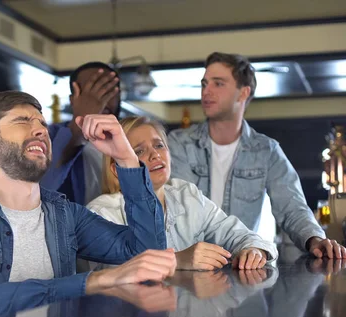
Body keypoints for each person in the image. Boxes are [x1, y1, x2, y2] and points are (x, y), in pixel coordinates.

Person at [0, 91, 176, 317]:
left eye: (42, 123)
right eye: (23, 120)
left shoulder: (66, 215)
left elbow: (147, 250)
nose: (41, 129)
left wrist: (126, 159)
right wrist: (97, 281)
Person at [166, 52, 346, 259]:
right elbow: (177, 208)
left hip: (241, 267)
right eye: (204, 83)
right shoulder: (178, 144)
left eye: (218, 84)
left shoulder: (266, 150)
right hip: (189, 266)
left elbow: (292, 208)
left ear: (243, 93)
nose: (206, 91)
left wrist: (316, 239)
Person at [87, 116, 278, 271]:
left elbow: (237, 233)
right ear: (116, 170)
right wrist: (176, 260)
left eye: (159, 145)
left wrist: (254, 250)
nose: (155, 155)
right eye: (139, 151)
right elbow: (109, 274)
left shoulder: (187, 195)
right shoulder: (101, 212)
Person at [40, 62, 121, 206]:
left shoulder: (133, 135)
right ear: (73, 100)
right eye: (91, 92)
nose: (100, 100)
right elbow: (44, 185)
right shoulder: (49, 136)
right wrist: (80, 125)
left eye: (107, 90)